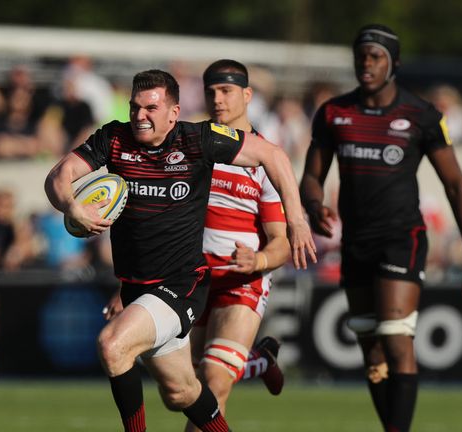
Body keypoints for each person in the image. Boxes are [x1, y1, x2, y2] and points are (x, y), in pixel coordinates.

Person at [45, 69, 315, 432]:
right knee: (182, 392)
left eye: (151, 108)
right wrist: (71, 206)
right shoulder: (113, 138)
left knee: (112, 345)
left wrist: (296, 220)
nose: (141, 116)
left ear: (174, 112)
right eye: (135, 107)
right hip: (136, 288)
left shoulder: (198, 139)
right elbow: (59, 175)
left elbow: (274, 156)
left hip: (181, 285)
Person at [300, 24, 462, 432]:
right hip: (356, 243)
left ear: (394, 63)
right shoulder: (333, 113)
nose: (367, 63)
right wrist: (314, 204)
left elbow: (455, 184)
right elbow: (311, 176)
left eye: (376, 56)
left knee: (397, 338)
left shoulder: (421, 115)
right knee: (373, 355)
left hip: (403, 239)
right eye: (361, 55)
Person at [180, 59, 293, 432]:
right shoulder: (194, 149)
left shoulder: (264, 160)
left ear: (247, 95)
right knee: (187, 387)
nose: (217, 100)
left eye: (226, 91)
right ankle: (259, 362)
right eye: (211, 91)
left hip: (241, 282)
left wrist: (258, 259)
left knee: (214, 381)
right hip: (194, 279)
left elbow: (282, 244)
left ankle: (251, 362)